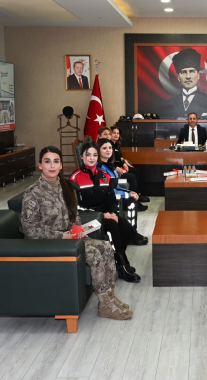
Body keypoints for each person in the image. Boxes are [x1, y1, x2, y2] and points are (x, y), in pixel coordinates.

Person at [21, 146, 132, 319]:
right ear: (40, 165)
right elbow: (30, 229)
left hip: (70, 237)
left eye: (56, 161)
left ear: (61, 165)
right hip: (50, 242)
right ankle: (105, 305)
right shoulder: (33, 193)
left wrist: (77, 228)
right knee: (93, 254)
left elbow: (75, 214)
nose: (52, 165)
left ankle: (108, 298)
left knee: (106, 247)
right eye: (47, 161)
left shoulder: (66, 186)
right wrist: (64, 236)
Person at [70, 143, 144, 283]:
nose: (91, 158)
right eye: (88, 155)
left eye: (94, 155)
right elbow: (75, 206)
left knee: (126, 228)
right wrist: (102, 215)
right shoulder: (75, 178)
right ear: (82, 157)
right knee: (112, 227)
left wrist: (113, 212)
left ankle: (117, 261)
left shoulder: (104, 175)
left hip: (106, 213)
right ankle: (123, 266)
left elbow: (111, 198)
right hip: (87, 218)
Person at [97, 137, 149, 247]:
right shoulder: (100, 168)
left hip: (114, 193)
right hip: (109, 198)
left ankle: (132, 231)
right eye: (104, 148)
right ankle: (131, 234)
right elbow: (109, 189)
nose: (108, 150)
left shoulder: (110, 165)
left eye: (110, 148)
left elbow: (115, 185)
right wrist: (127, 194)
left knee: (132, 197)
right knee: (131, 202)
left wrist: (129, 191)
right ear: (98, 150)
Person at [98, 126, 149, 209]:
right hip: (107, 196)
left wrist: (123, 162)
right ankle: (136, 201)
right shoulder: (99, 164)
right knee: (132, 176)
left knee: (135, 171)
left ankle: (138, 196)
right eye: (105, 134)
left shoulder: (113, 147)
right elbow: (108, 188)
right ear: (99, 136)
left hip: (114, 181)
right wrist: (116, 169)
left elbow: (115, 160)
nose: (108, 150)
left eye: (109, 134)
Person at [162, 48, 207, 118]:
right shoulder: (168, 105)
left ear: (198, 75)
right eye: (184, 72)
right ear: (178, 77)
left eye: (192, 71)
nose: (188, 76)